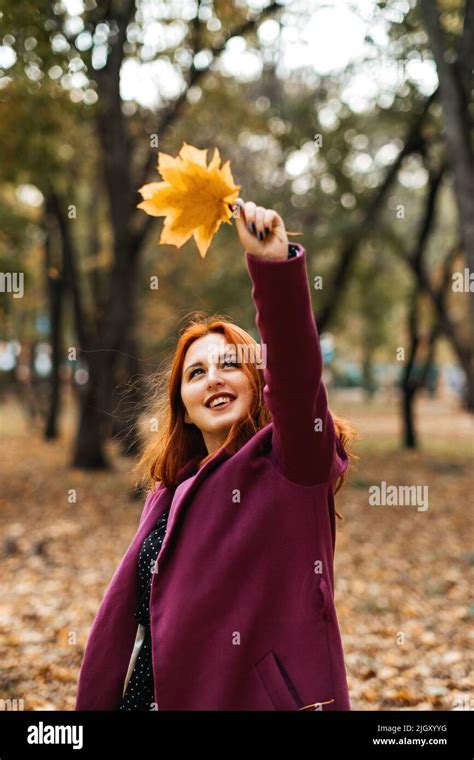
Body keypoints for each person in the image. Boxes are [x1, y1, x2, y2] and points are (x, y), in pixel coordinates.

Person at [75, 197, 359, 711]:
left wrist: (274, 270)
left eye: (230, 364)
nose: (214, 379)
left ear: (257, 381)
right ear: (182, 405)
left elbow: (297, 377)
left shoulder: (293, 464)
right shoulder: (169, 493)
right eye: (196, 372)